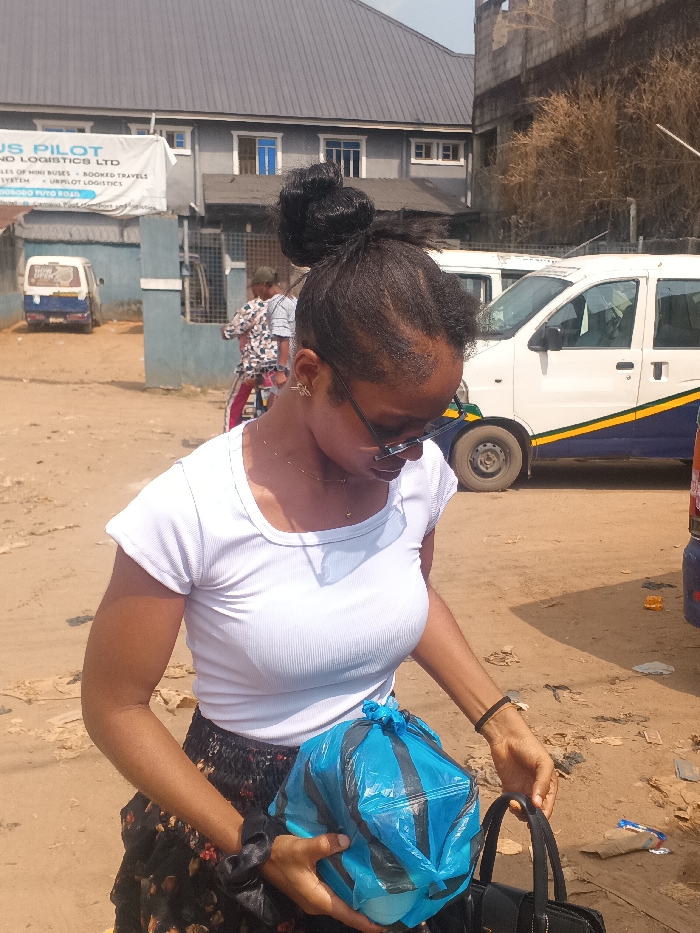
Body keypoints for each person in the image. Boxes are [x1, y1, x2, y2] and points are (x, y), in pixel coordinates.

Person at [82, 161, 558, 933]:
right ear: (309, 372)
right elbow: (115, 706)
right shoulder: (192, 507)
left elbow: (410, 592)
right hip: (238, 823)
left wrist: (498, 716)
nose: (415, 451)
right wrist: (256, 845)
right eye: (393, 427)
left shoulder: (416, 476)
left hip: (378, 811)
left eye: (433, 423)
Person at [221, 268, 278, 431]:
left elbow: (229, 332)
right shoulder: (287, 305)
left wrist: (224, 329)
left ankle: (228, 436)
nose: (253, 291)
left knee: (234, 401)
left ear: (262, 285)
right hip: (278, 367)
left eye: (254, 287)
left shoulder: (252, 307)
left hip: (253, 367)